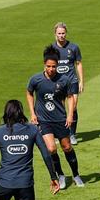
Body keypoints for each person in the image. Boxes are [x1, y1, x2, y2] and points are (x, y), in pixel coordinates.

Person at [26, 45, 83, 189]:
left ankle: (76, 175)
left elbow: (70, 97)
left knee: (67, 147)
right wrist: (32, 113)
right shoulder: (36, 79)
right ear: (44, 65)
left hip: (60, 119)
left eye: (54, 66)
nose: (51, 69)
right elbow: (29, 93)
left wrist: (70, 115)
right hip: (44, 120)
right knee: (51, 149)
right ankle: (61, 175)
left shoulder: (64, 80)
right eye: (48, 66)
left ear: (57, 65)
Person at [52, 23, 85, 146]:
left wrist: (81, 81)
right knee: (60, 109)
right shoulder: (52, 48)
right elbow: (48, 65)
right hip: (58, 83)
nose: (61, 36)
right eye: (59, 33)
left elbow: (79, 64)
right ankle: (60, 134)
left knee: (73, 107)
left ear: (66, 33)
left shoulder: (74, 47)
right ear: (55, 34)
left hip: (72, 82)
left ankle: (71, 134)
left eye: (63, 33)